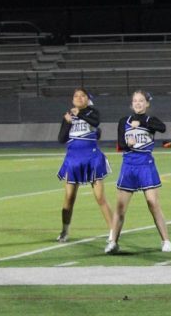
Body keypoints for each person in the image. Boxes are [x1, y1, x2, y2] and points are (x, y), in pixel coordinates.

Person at [106, 90, 171, 254]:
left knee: (153, 203)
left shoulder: (150, 120)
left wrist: (141, 125)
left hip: (146, 165)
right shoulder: (124, 121)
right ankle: (113, 241)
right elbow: (120, 143)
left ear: (147, 103)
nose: (138, 103)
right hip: (128, 166)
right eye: (135, 101)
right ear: (131, 103)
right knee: (120, 207)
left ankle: (166, 241)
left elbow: (162, 128)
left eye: (141, 101)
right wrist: (128, 143)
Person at [55, 88, 113, 243]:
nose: (79, 98)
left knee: (100, 198)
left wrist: (78, 114)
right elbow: (61, 139)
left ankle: (113, 233)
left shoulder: (92, 112)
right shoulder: (68, 115)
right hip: (73, 160)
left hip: (91, 159)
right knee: (69, 198)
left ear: (88, 99)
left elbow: (96, 122)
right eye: (76, 96)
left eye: (82, 96)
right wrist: (68, 122)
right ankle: (65, 230)